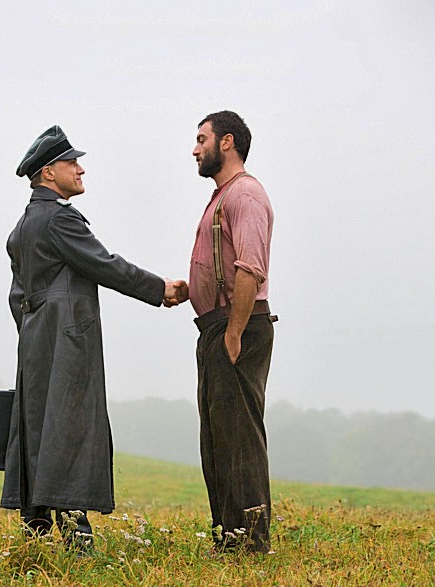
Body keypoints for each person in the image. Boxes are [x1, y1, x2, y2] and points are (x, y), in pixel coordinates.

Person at [0, 125, 182, 551]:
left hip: (35, 341)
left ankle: (36, 532)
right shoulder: (60, 219)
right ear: (49, 172)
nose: (80, 169)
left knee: (38, 426)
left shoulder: (22, 226)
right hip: (68, 343)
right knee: (71, 426)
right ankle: (76, 539)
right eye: (72, 163)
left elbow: (16, 297)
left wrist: (34, 331)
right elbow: (107, 266)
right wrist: (161, 289)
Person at [175, 111, 276, 553]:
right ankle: (230, 538)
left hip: (238, 327)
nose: (195, 149)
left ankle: (250, 542)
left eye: (202, 139)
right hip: (217, 327)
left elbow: (250, 268)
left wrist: (234, 334)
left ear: (227, 142)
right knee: (218, 438)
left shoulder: (245, 194)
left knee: (239, 438)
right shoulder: (223, 195)